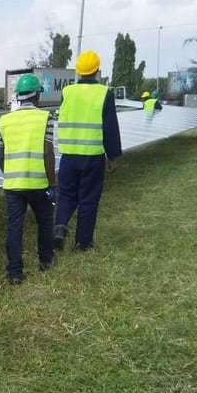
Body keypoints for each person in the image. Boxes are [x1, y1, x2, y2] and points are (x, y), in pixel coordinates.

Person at [54, 50, 123, 251]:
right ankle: (83, 242)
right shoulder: (104, 93)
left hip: (68, 155)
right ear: (97, 71)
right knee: (88, 198)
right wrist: (112, 157)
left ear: (78, 71)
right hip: (92, 156)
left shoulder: (67, 92)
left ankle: (59, 227)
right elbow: (110, 128)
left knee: (66, 194)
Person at [0, 73, 56, 284]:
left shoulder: (4, 120)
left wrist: (10, 174)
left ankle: (14, 272)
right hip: (39, 183)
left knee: (14, 227)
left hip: (13, 185)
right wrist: (52, 184)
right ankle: (46, 261)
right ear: (36, 96)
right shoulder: (45, 118)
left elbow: (0, 155)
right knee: (45, 221)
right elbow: (48, 152)